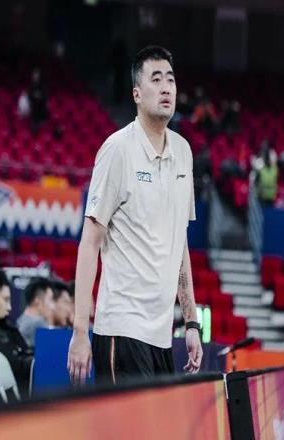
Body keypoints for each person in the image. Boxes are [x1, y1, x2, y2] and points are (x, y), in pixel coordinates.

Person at [67, 46, 203, 386]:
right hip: (121, 329)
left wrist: (191, 322)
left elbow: (179, 243)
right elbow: (90, 243)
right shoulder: (117, 149)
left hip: (161, 336)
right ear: (137, 94)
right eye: (155, 79)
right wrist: (80, 330)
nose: (166, 87)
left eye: (170, 79)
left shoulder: (184, 152)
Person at [16, 277, 55, 348]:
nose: (53, 306)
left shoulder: (20, 320)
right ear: (37, 300)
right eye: (50, 299)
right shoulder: (38, 322)